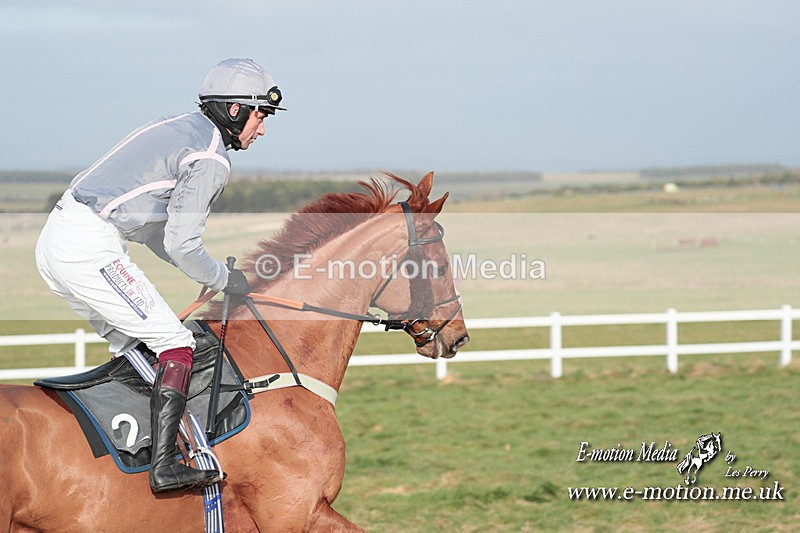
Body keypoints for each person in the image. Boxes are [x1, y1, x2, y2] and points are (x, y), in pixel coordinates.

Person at [35, 58, 285, 493]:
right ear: (234, 110)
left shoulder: (179, 125)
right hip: (88, 244)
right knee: (176, 343)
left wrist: (206, 274)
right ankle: (165, 467)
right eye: (260, 115)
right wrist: (227, 280)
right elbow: (182, 244)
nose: (261, 129)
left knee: (137, 348)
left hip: (59, 238)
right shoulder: (211, 157)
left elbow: (159, 233)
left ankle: (139, 446)